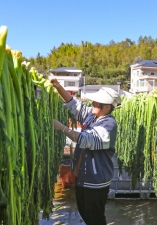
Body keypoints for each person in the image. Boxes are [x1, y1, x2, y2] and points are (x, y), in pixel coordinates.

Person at [50, 78, 121, 225]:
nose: (93, 104)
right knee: (85, 213)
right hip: (82, 177)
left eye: (97, 102)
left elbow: (85, 139)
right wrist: (58, 87)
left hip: (95, 182)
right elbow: (75, 106)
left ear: (107, 107)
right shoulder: (93, 116)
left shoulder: (109, 125)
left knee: (94, 218)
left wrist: (62, 128)